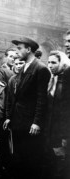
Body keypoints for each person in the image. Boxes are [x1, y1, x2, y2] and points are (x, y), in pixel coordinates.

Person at [3, 37, 51, 179]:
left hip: (30, 125)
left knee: (31, 161)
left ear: (28, 49)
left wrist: (36, 122)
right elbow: (16, 97)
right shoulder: (24, 68)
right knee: (19, 159)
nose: (17, 52)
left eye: (19, 48)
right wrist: (9, 117)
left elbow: (42, 99)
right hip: (18, 123)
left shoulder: (41, 69)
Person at [45, 51, 70, 179]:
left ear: (62, 63)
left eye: (54, 62)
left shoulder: (65, 81)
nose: (50, 65)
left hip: (62, 131)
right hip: (50, 129)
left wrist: (64, 136)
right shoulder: (51, 79)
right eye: (48, 62)